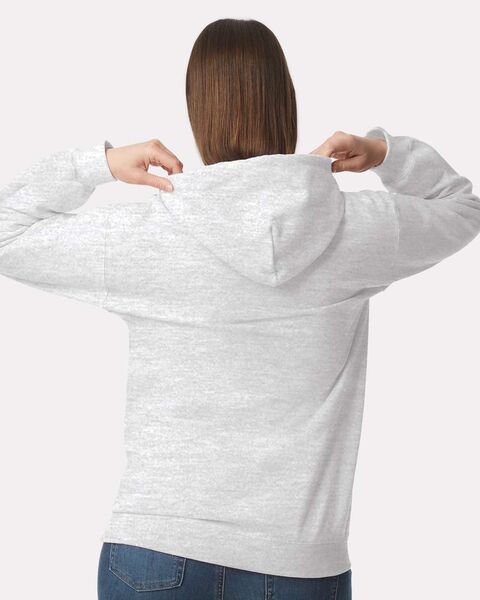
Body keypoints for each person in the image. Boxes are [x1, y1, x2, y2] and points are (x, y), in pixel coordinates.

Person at [1, 17, 479, 600]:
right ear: (286, 103)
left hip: (157, 550)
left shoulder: (146, 235)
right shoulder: (359, 229)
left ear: (197, 111)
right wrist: (383, 153)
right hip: (300, 562)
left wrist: (97, 163)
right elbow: (463, 208)